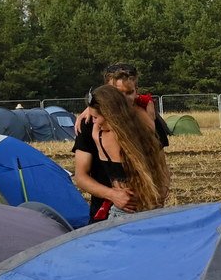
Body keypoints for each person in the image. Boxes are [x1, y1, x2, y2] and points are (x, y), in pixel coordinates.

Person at [73, 85, 170, 222]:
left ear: (108, 114)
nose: (93, 121)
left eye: (95, 117)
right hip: (151, 206)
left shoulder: (100, 136)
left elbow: (80, 176)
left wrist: (90, 107)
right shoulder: (145, 130)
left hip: (125, 211)